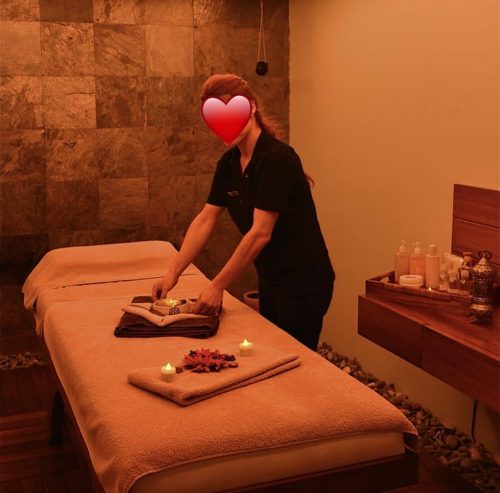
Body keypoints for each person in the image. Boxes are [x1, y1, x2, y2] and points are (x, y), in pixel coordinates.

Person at [152, 73, 335, 351]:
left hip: (304, 281)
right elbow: (205, 219)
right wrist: (172, 273)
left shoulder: (277, 159)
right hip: (271, 277)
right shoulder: (229, 164)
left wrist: (217, 286)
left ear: (251, 107)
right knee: (274, 352)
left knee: (295, 357)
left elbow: (260, 233)